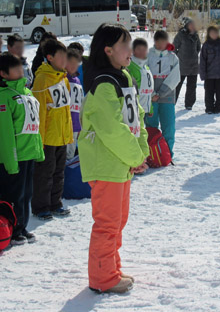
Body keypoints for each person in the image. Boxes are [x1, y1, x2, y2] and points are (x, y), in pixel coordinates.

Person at [79, 23, 149, 294]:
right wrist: (134, 156)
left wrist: (141, 152)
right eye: (124, 45)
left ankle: (111, 268)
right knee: (108, 223)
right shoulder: (103, 85)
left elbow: (137, 118)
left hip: (121, 161)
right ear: (108, 50)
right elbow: (111, 128)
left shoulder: (124, 78)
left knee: (118, 221)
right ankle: (102, 278)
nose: (130, 50)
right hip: (107, 162)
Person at [0, 53, 44, 245]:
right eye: (16, 68)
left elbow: (33, 124)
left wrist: (38, 149)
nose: (21, 71)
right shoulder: (3, 97)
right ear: (3, 73)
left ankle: (22, 225)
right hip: (15, 155)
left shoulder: (26, 92)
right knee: (13, 195)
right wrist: (10, 161)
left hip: (28, 152)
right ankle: (10, 229)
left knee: (26, 193)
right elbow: (4, 133)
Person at [31, 38, 72, 220]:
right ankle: (41, 206)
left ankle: (56, 202)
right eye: (61, 56)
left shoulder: (63, 77)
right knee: (44, 174)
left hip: (61, 134)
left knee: (58, 172)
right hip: (47, 136)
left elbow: (65, 108)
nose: (65, 60)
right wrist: (39, 139)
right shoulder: (41, 79)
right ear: (50, 57)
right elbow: (39, 111)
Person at [145, 30, 180, 156]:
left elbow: (175, 78)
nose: (160, 45)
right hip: (151, 99)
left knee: (169, 126)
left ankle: (167, 153)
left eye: (163, 42)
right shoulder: (148, 55)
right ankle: (151, 153)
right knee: (151, 126)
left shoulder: (172, 57)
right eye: (158, 42)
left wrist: (161, 93)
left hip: (167, 98)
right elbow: (144, 76)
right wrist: (151, 93)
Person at [199, 25, 220, 114]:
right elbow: (202, 61)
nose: (214, 34)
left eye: (215, 32)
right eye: (212, 33)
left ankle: (219, 108)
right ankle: (209, 108)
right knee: (209, 93)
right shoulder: (206, 45)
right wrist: (203, 74)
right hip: (209, 75)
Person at [174, 17, 201, 110]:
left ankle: (189, 104)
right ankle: (172, 102)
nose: (192, 26)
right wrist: (178, 58)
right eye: (190, 24)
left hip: (193, 66)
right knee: (177, 85)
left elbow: (198, 48)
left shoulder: (196, 35)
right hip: (182, 65)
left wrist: (193, 56)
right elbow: (174, 48)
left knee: (192, 86)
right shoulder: (181, 35)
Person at [64, 47, 83, 159]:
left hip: (75, 123)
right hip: (65, 124)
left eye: (76, 63)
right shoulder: (62, 79)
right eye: (71, 63)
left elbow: (80, 102)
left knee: (70, 154)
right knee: (63, 155)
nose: (73, 66)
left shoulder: (77, 80)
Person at [127, 38, 154, 116]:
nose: (142, 52)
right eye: (139, 49)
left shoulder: (146, 68)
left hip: (145, 110)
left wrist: (150, 108)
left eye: (144, 49)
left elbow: (149, 91)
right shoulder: (130, 67)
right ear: (133, 50)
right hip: (134, 111)